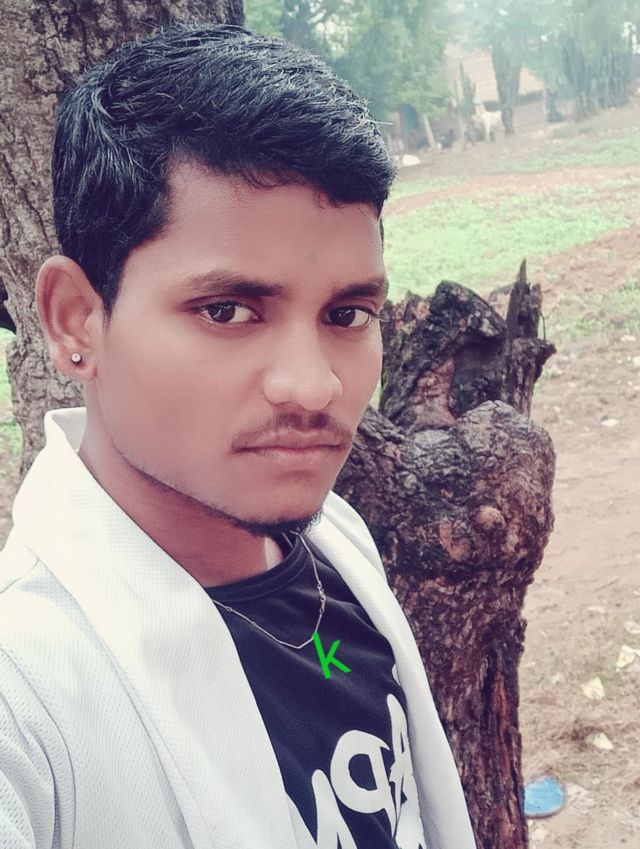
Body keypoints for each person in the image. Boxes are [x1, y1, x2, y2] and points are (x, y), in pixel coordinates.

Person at [0, 22, 476, 849]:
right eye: (227, 310)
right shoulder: (27, 695)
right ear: (77, 320)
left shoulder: (336, 547)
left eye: (347, 314)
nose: (314, 385)